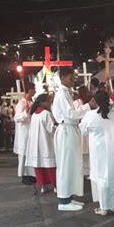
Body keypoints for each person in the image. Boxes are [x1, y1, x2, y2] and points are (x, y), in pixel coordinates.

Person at [80, 89, 114, 216]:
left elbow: (83, 131)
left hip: (99, 154)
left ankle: (104, 207)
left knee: (102, 178)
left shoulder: (90, 116)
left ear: (95, 101)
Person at [52, 66, 92, 211]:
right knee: (65, 165)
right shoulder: (62, 94)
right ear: (63, 78)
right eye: (71, 78)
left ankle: (68, 197)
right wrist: (88, 107)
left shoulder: (67, 93)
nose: (73, 80)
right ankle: (63, 201)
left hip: (70, 130)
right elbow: (70, 114)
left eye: (74, 78)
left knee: (72, 165)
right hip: (66, 130)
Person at [26, 93, 57, 193]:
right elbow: (51, 129)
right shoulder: (46, 114)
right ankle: (55, 186)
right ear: (43, 102)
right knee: (50, 166)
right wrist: (60, 128)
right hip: (46, 143)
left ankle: (43, 186)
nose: (50, 103)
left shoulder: (34, 114)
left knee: (39, 166)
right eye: (48, 101)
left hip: (36, 145)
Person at [13, 85, 35, 179]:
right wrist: (25, 113)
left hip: (31, 131)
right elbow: (16, 118)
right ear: (30, 90)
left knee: (31, 153)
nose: (35, 92)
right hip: (24, 132)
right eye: (34, 90)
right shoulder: (21, 103)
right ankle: (22, 174)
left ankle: (30, 174)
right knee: (23, 155)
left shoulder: (32, 102)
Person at [74, 85, 92, 176]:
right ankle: (90, 172)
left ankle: (83, 172)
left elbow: (75, 115)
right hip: (90, 128)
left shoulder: (77, 102)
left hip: (81, 128)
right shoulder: (90, 101)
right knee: (90, 151)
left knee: (82, 152)